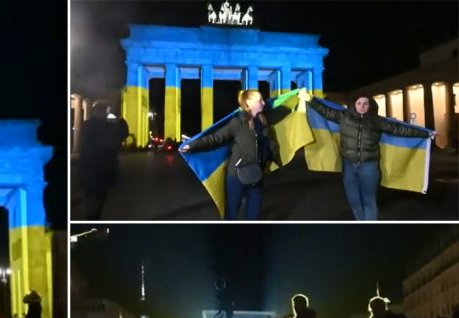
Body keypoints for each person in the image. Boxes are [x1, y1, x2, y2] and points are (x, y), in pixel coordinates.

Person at [299, 88, 436, 220]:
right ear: (354, 104)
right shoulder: (343, 117)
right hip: (349, 167)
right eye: (359, 103)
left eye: (365, 103)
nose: (362, 106)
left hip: (369, 167)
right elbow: (325, 111)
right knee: (354, 201)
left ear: (370, 105)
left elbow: (400, 129)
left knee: (369, 200)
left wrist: (425, 133)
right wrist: (310, 100)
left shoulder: (377, 121)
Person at [180, 89, 290, 220]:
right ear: (248, 103)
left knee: (254, 217)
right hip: (236, 177)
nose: (263, 103)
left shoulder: (264, 121)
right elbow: (215, 138)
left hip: (256, 175)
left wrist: (301, 99)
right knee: (231, 215)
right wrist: (191, 145)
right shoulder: (237, 123)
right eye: (259, 100)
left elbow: (285, 111)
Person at [78, 101, 129, 220]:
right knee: (99, 197)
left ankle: (90, 218)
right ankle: (92, 219)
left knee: (91, 196)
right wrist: (120, 119)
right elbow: (123, 133)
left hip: (89, 167)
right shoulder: (109, 127)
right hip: (103, 168)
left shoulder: (87, 124)